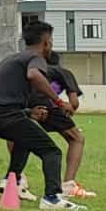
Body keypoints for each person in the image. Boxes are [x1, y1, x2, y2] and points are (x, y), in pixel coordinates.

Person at [0, 21, 86, 211]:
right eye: (51, 42)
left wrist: (28, 112)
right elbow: (34, 75)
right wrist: (58, 102)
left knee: (23, 139)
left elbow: (6, 93)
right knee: (52, 152)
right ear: (46, 43)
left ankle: (12, 180)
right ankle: (52, 199)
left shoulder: (15, 58)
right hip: (2, 114)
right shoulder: (37, 59)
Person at [12, 51, 96, 199]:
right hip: (47, 104)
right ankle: (68, 185)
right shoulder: (62, 72)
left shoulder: (26, 69)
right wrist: (67, 109)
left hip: (21, 103)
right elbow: (74, 102)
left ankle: (18, 180)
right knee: (76, 138)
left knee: (15, 134)